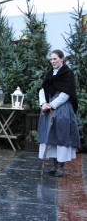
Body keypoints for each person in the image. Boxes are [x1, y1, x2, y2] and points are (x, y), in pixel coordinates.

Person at [38, 49, 80, 177]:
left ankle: (61, 167)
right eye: (51, 59)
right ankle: (55, 166)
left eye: (55, 59)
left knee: (61, 136)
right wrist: (43, 103)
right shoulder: (50, 73)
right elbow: (42, 89)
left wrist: (51, 105)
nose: (53, 61)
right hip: (48, 108)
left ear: (62, 58)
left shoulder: (67, 74)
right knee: (50, 136)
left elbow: (66, 93)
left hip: (62, 109)